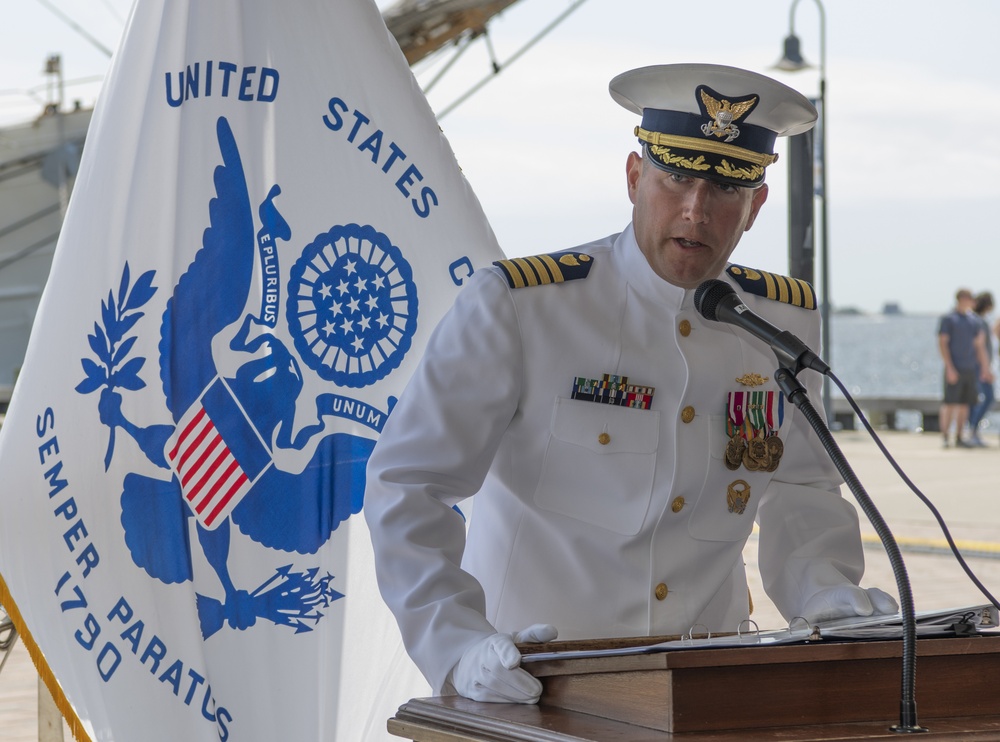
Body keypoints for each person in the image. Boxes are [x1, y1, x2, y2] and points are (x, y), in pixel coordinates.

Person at [364, 63, 897, 705]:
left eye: (727, 187)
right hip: (533, 690)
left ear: (755, 206)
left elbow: (802, 487)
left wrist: (824, 592)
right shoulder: (522, 308)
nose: (697, 209)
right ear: (634, 177)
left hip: (704, 697)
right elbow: (407, 486)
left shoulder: (778, 321)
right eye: (675, 176)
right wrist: (455, 644)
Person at [938, 288, 991, 448]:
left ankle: (960, 437)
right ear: (961, 298)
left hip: (970, 368)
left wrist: (985, 368)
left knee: (965, 404)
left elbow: (979, 346)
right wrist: (949, 367)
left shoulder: (973, 321)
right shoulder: (949, 319)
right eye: (969, 298)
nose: (972, 301)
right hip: (955, 367)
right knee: (950, 403)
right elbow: (942, 343)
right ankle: (946, 436)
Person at [968, 291, 996, 446]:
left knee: (975, 400)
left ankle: (972, 430)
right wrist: (986, 369)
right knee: (988, 397)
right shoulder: (980, 322)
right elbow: (980, 347)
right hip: (980, 368)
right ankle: (973, 430)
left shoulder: (973, 320)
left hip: (974, 367)